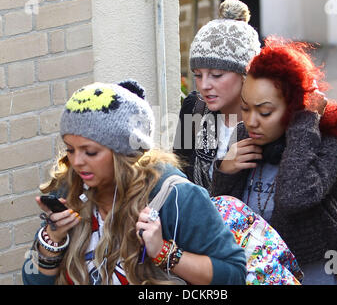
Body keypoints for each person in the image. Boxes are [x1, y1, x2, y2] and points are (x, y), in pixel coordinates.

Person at [22, 80, 246, 285]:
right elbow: (31, 279)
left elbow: (233, 274)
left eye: (90, 152)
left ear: (124, 153)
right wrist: (51, 239)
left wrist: (162, 251)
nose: (77, 162)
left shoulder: (175, 196)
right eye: (70, 150)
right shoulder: (70, 189)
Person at [211, 36, 337, 285]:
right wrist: (226, 171)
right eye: (246, 107)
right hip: (258, 274)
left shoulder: (330, 143)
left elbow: (294, 197)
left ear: (295, 107)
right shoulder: (244, 136)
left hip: (316, 272)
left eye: (265, 112)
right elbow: (222, 212)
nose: (251, 121)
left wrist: (305, 124)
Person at [173, 0, 261, 193]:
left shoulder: (264, 121)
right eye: (197, 74)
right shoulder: (194, 109)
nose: (204, 85)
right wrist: (224, 168)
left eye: (216, 75)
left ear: (245, 74)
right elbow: (178, 181)